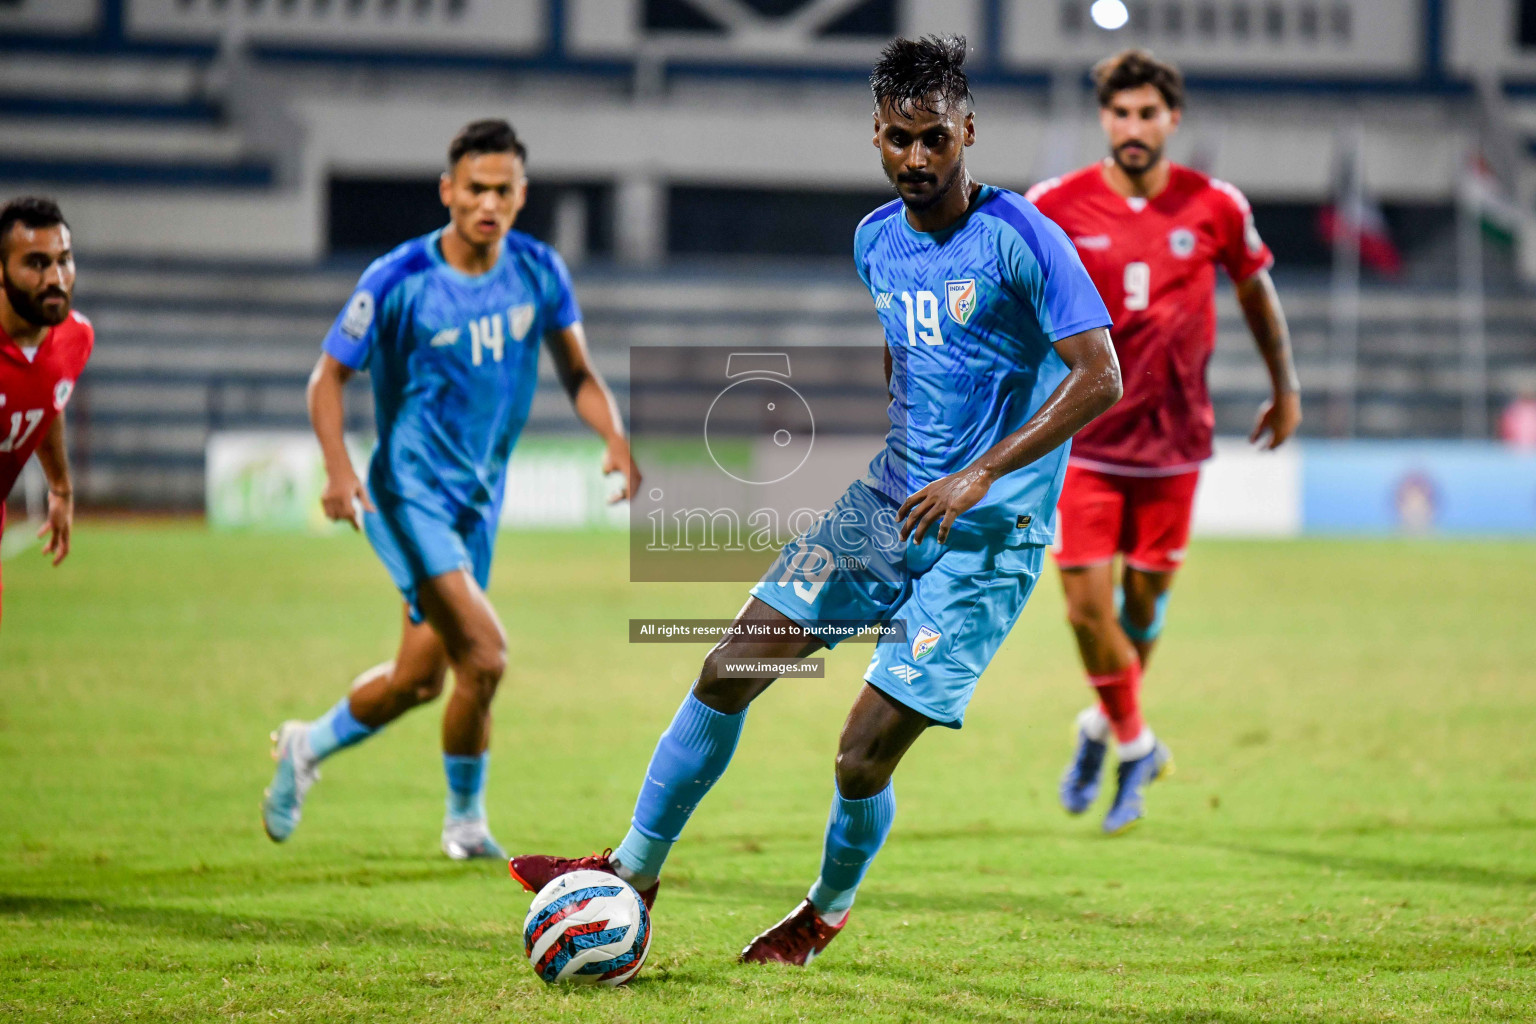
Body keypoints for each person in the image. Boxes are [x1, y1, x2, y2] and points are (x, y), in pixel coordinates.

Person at [509, 35, 1121, 965]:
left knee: (858, 756)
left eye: (936, 141)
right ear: (876, 136)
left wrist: (978, 473)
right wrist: (910, 444)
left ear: (968, 133)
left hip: (986, 541)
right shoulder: (874, 239)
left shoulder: (1025, 238)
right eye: (899, 140)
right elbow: (902, 346)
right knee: (727, 668)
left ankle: (822, 913)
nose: (917, 160)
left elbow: (1100, 377)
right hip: (884, 508)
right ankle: (634, 870)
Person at [261, 119, 639, 860]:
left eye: (503, 190)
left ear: (521, 194)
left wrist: (615, 438)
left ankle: (307, 744)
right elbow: (326, 378)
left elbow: (579, 375)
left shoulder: (538, 270)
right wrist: (339, 472)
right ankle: (465, 826)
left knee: (418, 679)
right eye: (475, 189)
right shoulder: (398, 279)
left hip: (474, 506)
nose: (488, 203)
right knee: (487, 657)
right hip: (405, 500)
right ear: (448, 191)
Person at [1026, 50, 1301, 833]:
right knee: (1085, 607)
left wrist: (1285, 387)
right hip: (1083, 441)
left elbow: (1256, 292)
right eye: (1121, 113)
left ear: (1172, 119)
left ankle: (1100, 729)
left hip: (1175, 446)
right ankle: (1137, 743)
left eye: (1149, 113)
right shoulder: (1056, 204)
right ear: (1104, 119)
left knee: (1141, 608)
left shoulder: (1214, 205)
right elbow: (1016, 299)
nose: (1134, 127)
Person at [0, 197, 93, 632]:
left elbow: (48, 402)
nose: (55, 278)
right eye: (35, 264)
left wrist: (60, 487)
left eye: (64, 260)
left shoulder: (75, 338)